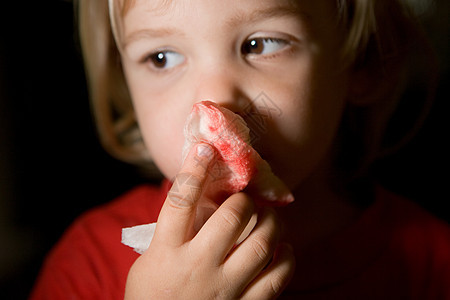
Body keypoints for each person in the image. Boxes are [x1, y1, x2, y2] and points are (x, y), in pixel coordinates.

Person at [30, 0, 450, 299]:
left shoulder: (433, 264)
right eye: (161, 57)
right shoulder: (89, 262)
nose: (214, 99)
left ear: (363, 60)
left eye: (261, 44)